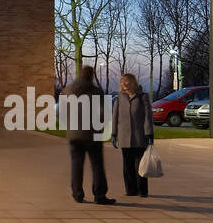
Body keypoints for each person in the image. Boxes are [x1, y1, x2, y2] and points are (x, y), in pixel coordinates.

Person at [66, 64, 115, 205]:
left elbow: (59, 113)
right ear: (91, 76)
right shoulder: (96, 91)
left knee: (76, 165)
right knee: (97, 165)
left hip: (74, 134)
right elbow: (103, 113)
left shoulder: (69, 91)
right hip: (93, 133)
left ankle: (77, 194)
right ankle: (99, 195)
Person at [112, 72, 154, 197]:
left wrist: (149, 134)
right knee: (127, 165)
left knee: (139, 165)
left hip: (139, 136)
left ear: (133, 82)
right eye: (122, 81)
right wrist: (114, 134)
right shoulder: (119, 97)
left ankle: (142, 190)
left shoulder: (142, 97)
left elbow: (148, 116)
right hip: (124, 137)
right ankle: (130, 190)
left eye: (126, 81)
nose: (124, 84)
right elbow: (115, 116)